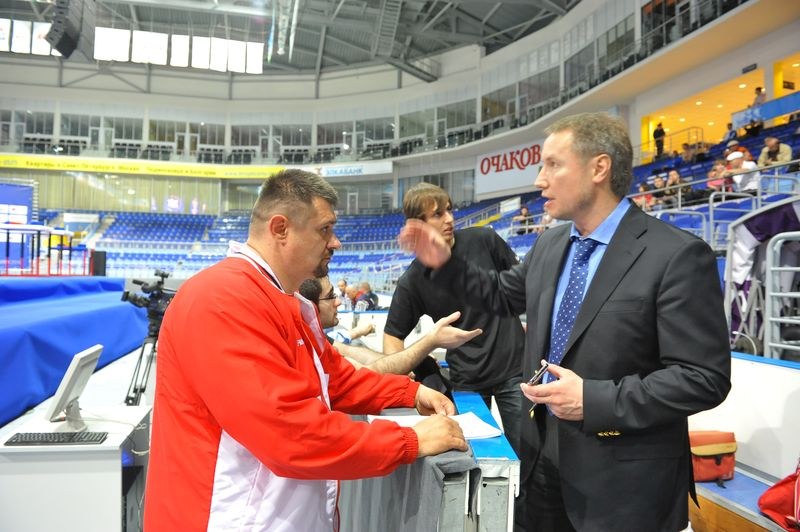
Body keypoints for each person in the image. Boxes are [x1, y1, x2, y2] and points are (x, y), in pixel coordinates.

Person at [398, 112, 731, 532]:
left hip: (625, 487)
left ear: (599, 168)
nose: (540, 179)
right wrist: (445, 263)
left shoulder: (676, 255)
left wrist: (592, 400)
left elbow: (704, 378)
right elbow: (500, 294)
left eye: (553, 164)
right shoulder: (552, 243)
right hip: (543, 468)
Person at [144, 169, 468, 530]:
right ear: (281, 229)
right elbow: (289, 434)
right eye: (324, 229)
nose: (336, 243)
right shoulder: (222, 300)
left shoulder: (279, 297)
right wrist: (409, 440)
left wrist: (410, 392)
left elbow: (335, 379)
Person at [384, 183, 526, 455]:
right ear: (418, 225)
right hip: (467, 384)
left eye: (449, 210)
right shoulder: (412, 281)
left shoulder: (485, 239)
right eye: (437, 214)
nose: (449, 219)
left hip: (515, 372)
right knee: (480, 463)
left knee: (527, 457)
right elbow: (393, 335)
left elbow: (520, 288)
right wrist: (406, 380)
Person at [299, 275, 482, 373]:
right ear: (309, 306)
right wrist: (430, 342)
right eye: (332, 296)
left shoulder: (321, 339)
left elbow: (359, 355)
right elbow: (369, 372)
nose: (339, 301)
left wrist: (411, 359)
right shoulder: (304, 344)